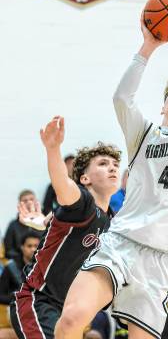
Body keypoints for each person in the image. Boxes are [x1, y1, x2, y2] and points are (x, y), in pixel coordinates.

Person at [55, 0, 168, 339]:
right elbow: (121, 98)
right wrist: (148, 46)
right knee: (71, 320)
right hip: (120, 242)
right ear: (163, 106)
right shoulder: (143, 134)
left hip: (159, 261)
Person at [10, 116, 121, 339]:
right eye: (103, 163)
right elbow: (63, 183)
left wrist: (42, 221)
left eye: (115, 165)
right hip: (38, 300)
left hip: (69, 309)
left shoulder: (112, 220)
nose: (112, 168)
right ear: (85, 178)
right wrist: (53, 149)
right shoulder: (82, 203)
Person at [0, 231, 40, 305]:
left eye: (36, 246)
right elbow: (1, 295)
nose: (33, 249)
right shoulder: (10, 267)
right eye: (29, 246)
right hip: (18, 310)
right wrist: (17, 298)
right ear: (22, 247)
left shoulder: (45, 267)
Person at [4, 190, 43, 260]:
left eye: (31, 199)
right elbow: (8, 251)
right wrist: (24, 255)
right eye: (25, 200)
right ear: (19, 204)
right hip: (21, 263)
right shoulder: (13, 225)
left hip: (42, 260)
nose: (28, 202)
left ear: (36, 201)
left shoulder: (44, 222)